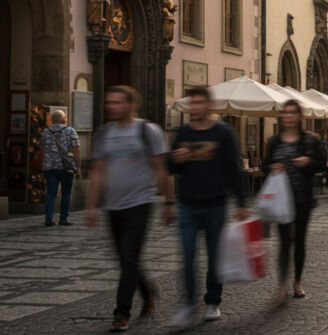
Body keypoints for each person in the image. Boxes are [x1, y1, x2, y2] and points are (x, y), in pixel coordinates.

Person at [86, 86, 172, 332]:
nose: (111, 106)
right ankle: (148, 292)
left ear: (131, 105)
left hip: (140, 203)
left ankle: (121, 313)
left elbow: (160, 168)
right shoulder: (104, 133)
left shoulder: (148, 131)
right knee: (126, 259)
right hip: (113, 205)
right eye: (109, 102)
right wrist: (92, 206)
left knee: (129, 257)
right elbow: (98, 171)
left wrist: (168, 202)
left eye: (117, 102)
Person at [167, 86, 250, 327]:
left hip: (216, 204)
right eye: (192, 104)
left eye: (199, 103)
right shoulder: (183, 132)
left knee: (215, 257)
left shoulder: (223, 133)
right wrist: (175, 160)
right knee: (188, 257)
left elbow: (233, 170)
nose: (194, 108)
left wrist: (242, 202)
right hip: (188, 205)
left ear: (209, 106)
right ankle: (188, 306)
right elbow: (171, 166)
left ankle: (213, 301)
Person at [266, 100, 326, 306]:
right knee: (284, 243)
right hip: (281, 199)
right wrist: (272, 167)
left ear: (299, 117)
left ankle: (297, 282)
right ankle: (282, 285)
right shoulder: (275, 141)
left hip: (302, 199)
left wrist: (308, 162)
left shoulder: (310, 140)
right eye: (286, 113)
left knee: (299, 241)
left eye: (293, 113)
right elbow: (266, 165)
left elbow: (321, 163)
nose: (289, 116)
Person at [41, 109, 81, 226]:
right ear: (64, 119)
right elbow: (76, 150)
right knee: (66, 193)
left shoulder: (45, 131)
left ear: (52, 120)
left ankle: (48, 219)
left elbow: (42, 148)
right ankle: (63, 219)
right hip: (66, 167)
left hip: (49, 167)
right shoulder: (70, 131)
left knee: (51, 193)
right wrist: (78, 167)